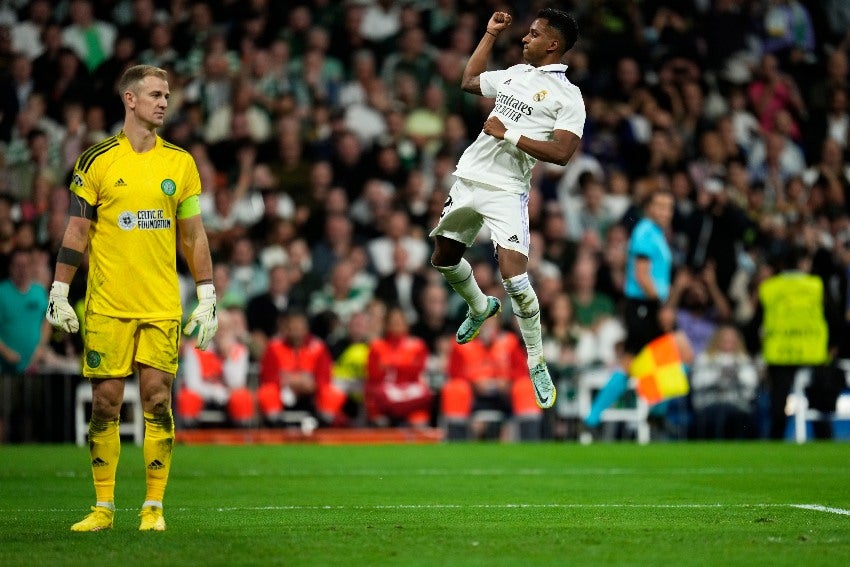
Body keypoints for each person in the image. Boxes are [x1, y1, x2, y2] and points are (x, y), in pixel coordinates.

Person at [45, 65, 218, 532]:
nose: (164, 102)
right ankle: (103, 508)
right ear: (130, 99)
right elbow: (76, 229)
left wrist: (207, 293)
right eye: (156, 94)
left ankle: (153, 508)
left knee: (157, 401)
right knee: (105, 403)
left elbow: (194, 236)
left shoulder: (180, 163)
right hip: (107, 304)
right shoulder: (96, 160)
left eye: (167, 95)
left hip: (161, 303)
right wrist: (59, 290)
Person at [429, 9, 585, 410]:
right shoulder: (515, 72)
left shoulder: (569, 97)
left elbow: (564, 153)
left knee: (515, 279)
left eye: (533, 35)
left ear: (553, 44)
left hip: (508, 189)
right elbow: (468, 82)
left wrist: (509, 133)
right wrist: (488, 35)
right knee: (443, 259)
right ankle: (480, 306)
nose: (524, 39)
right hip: (469, 177)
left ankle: (536, 362)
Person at [583, 190, 692, 432]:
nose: (666, 212)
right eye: (660, 206)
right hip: (645, 306)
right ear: (649, 208)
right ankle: (649, 412)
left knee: (646, 360)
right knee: (665, 356)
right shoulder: (645, 233)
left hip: (647, 306)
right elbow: (642, 276)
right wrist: (661, 306)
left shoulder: (655, 234)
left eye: (669, 207)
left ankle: (596, 418)